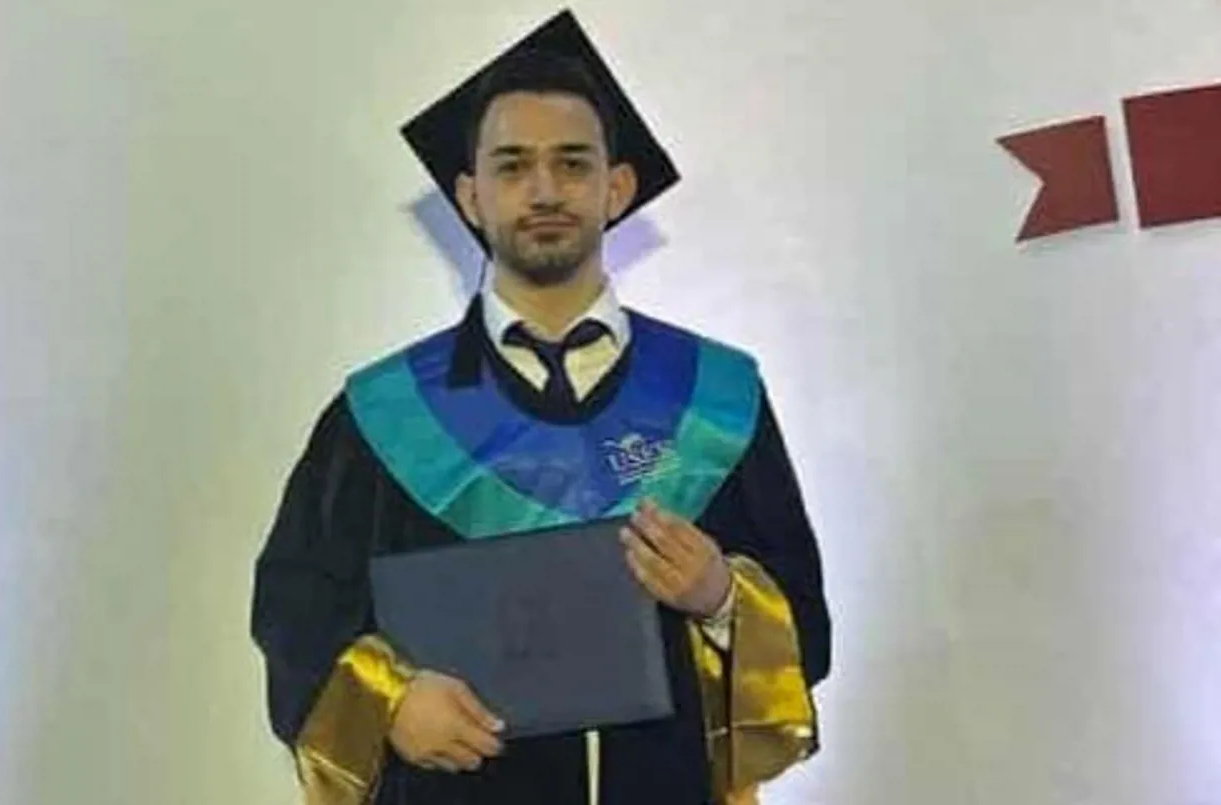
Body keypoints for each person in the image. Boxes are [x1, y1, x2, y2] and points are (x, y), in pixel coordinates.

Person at [250, 46, 830, 805]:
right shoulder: (384, 414)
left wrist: (723, 595)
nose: (546, 189)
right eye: (514, 166)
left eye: (573, 163)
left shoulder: (716, 400)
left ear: (617, 188)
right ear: (470, 196)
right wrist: (390, 701)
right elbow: (296, 614)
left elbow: (806, 622)